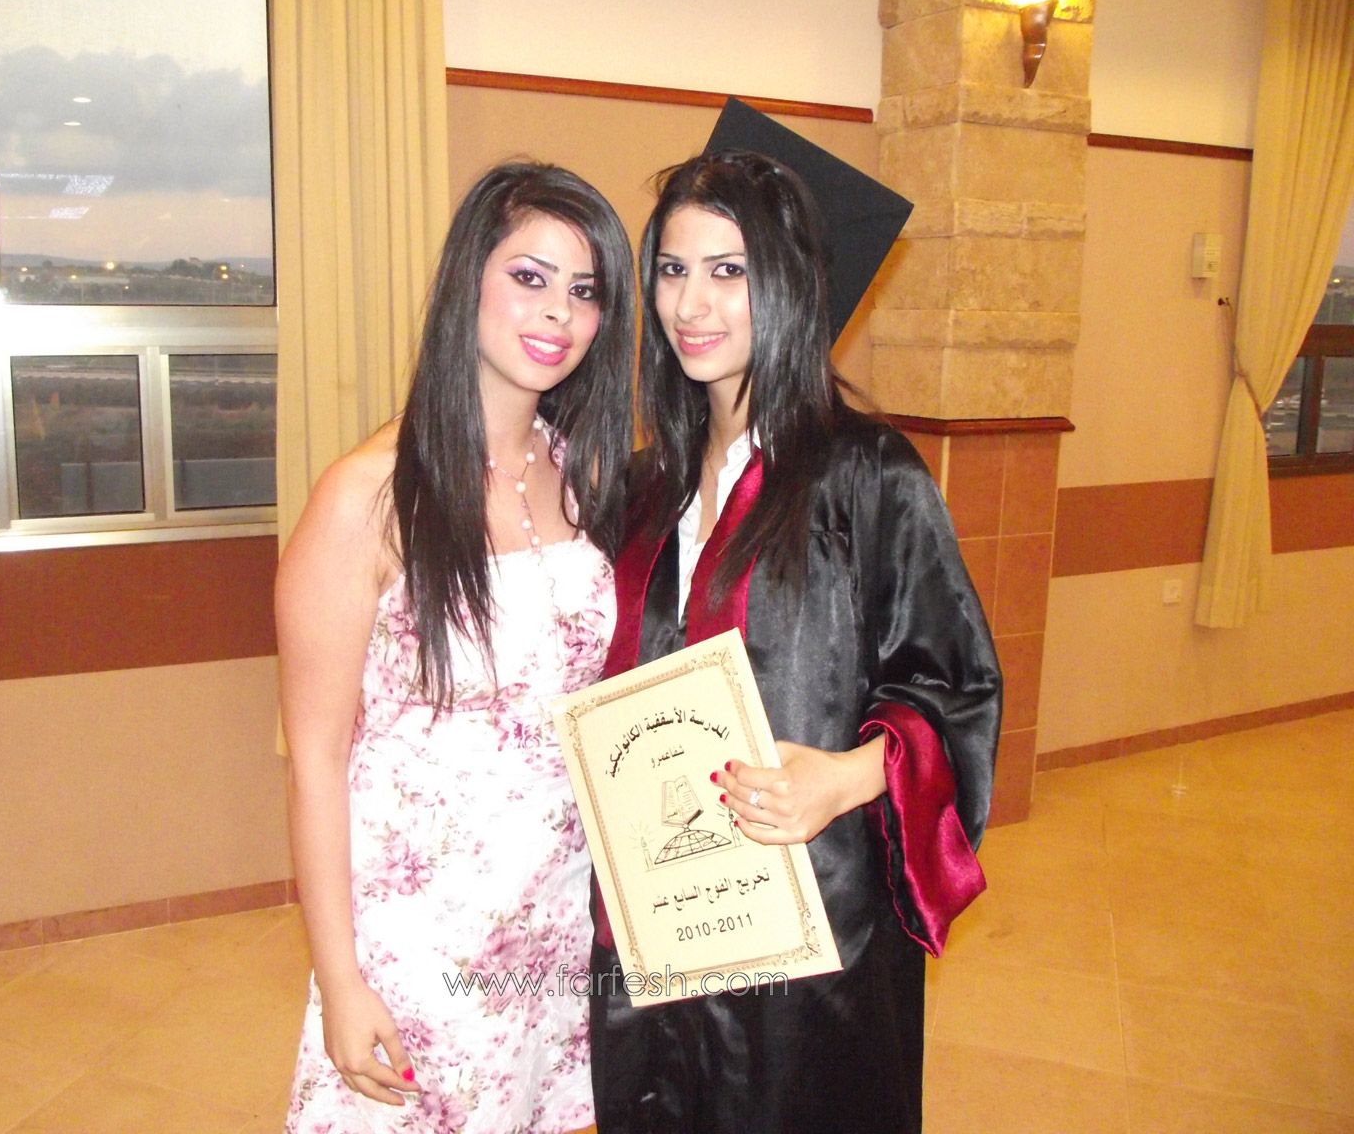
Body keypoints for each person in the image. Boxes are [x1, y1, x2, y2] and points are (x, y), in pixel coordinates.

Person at [589, 103, 1002, 1133]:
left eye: (728, 271)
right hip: (666, 919)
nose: (691, 303)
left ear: (787, 284)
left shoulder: (868, 475)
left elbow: (957, 688)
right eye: (672, 270)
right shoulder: (645, 488)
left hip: (811, 924)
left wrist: (847, 777)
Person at [276, 161, 635, 1133]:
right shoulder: (368, 494)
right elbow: (315, 760)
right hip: (421, 929)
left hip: (554, 913)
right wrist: (340, 979)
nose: (557, 311)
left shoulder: (585, 471)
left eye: (585, 290)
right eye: (528, 276)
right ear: (467, 279)